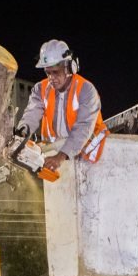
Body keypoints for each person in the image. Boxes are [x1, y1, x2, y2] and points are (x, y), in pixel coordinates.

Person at [17, 39, 109, 175]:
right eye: (48, 73)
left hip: (89, 158)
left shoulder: (86, 90)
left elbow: (84, 127)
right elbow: (31, 115)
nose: (51, 78)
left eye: (55, 72)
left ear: (69, 67)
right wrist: (20, 136)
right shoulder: (40, 89)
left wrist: (61, 156)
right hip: (57, 153)